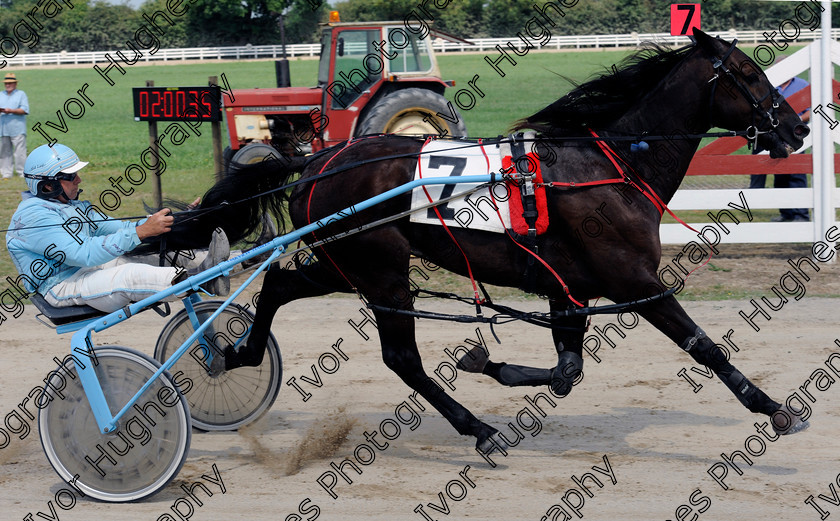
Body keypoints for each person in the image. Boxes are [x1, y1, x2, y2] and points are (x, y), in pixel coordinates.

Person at [5, 143, 230, 313]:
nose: (79, 180)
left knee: (142, 255)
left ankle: (237, 259)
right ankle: (201, 278)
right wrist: (141, 232)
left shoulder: (69, 205)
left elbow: (119, 227)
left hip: (84, 271)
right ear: (48, 184)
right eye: (71, 176)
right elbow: (83, 253)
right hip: (61, 286)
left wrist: (171, 220)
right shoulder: (33, 216)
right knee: (128, 274)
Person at [749, 75, 810, 222]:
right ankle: (787, 214)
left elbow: (810, 111)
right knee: (780, 175)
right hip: (772, 136)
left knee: (796, 174)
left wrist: (793, 122)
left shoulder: (803, 85)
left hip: (794, 136)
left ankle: (801, 215)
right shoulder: (769, 82)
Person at [0, 73, 29, 180]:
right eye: (6, 83)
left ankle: (22, 173)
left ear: (15, 84)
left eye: (10, 83)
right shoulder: (1, 94)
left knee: (20, 152)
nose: (8, 85)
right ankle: (6, 173)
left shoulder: (21, 94)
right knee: (4, 152)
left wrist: (11, 111)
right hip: (3, 128)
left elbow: (25, 110)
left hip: (17, 128)